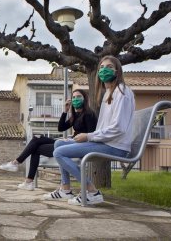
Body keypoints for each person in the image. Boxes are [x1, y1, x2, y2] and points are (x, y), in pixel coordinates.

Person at [44, 55, 135, 205]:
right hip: (108, 142)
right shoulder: (108, 94)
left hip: (116, 146)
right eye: (102, 68)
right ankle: (65, 189)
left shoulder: (122, 92)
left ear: (118, 71)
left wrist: (88, 136)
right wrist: (74, 139)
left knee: (59, 153)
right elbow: (104, 128)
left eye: (109, 67)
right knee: (59, 144)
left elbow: (118, 128)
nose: (105, 70)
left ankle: (92, 191)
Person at [0, 89, 97, 191]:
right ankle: (19, 168)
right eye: (74, 97)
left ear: (85, 99)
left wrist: (73, 140)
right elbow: (61, 128)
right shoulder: (75, 116)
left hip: (76, 146)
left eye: (79, 97)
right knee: (37, 138)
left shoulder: (89, 114)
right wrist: (65, 111)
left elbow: (91, 136)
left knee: (36, 148)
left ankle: (21, 172)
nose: (76, 99)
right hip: (69, 143)